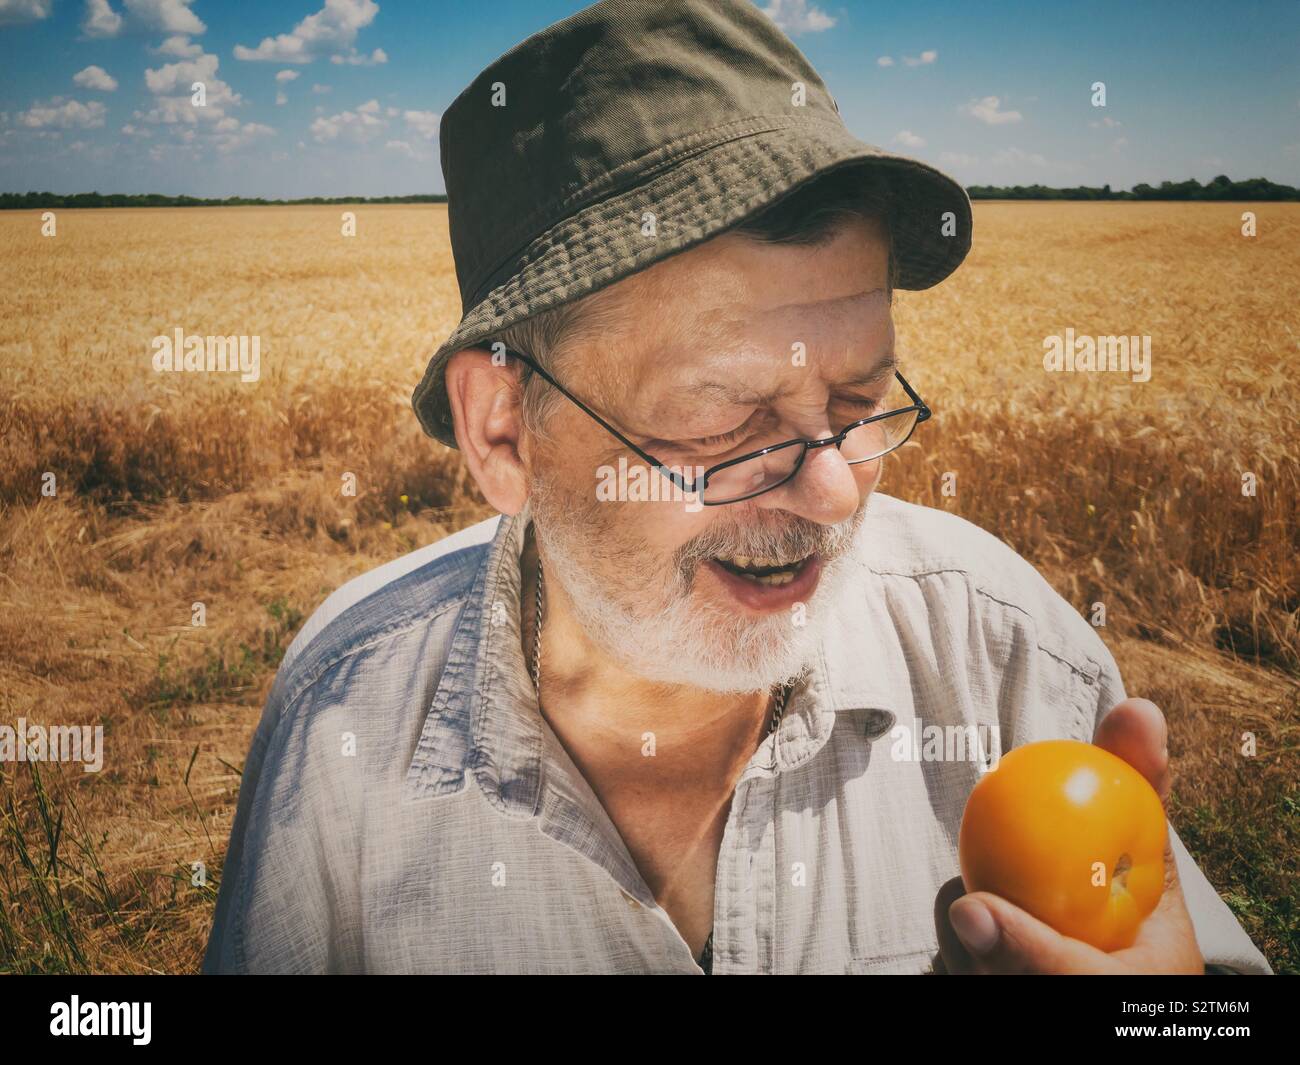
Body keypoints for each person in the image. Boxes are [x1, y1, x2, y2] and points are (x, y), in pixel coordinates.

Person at [203, 0, 1272, 974]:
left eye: (857, 401)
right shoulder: (347, 723)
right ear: (501, 430)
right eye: (725, 421)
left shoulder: (995, 655)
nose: (835, 497)